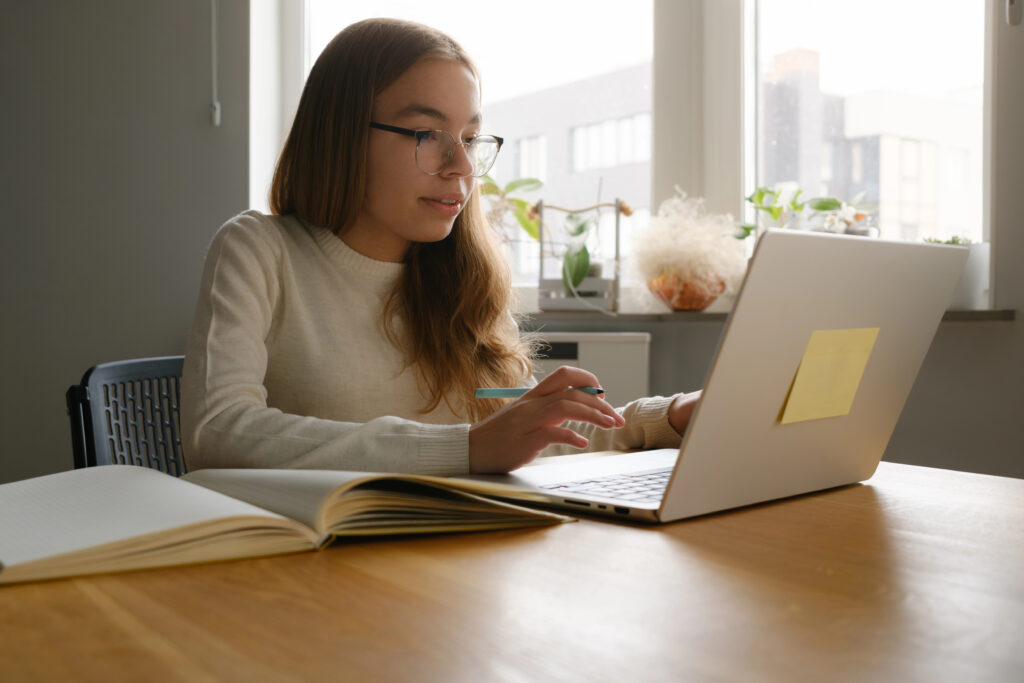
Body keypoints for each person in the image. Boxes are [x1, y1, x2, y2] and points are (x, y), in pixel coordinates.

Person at [181, 18, 700, 476]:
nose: (463, 166)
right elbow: (217, 432)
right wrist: (466, 448)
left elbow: (522, 443)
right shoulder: (259, 251)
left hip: (458, 560)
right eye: (427, 134)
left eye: (471, 138)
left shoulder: (465, 276)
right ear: (341, 136)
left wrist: (669, 416)